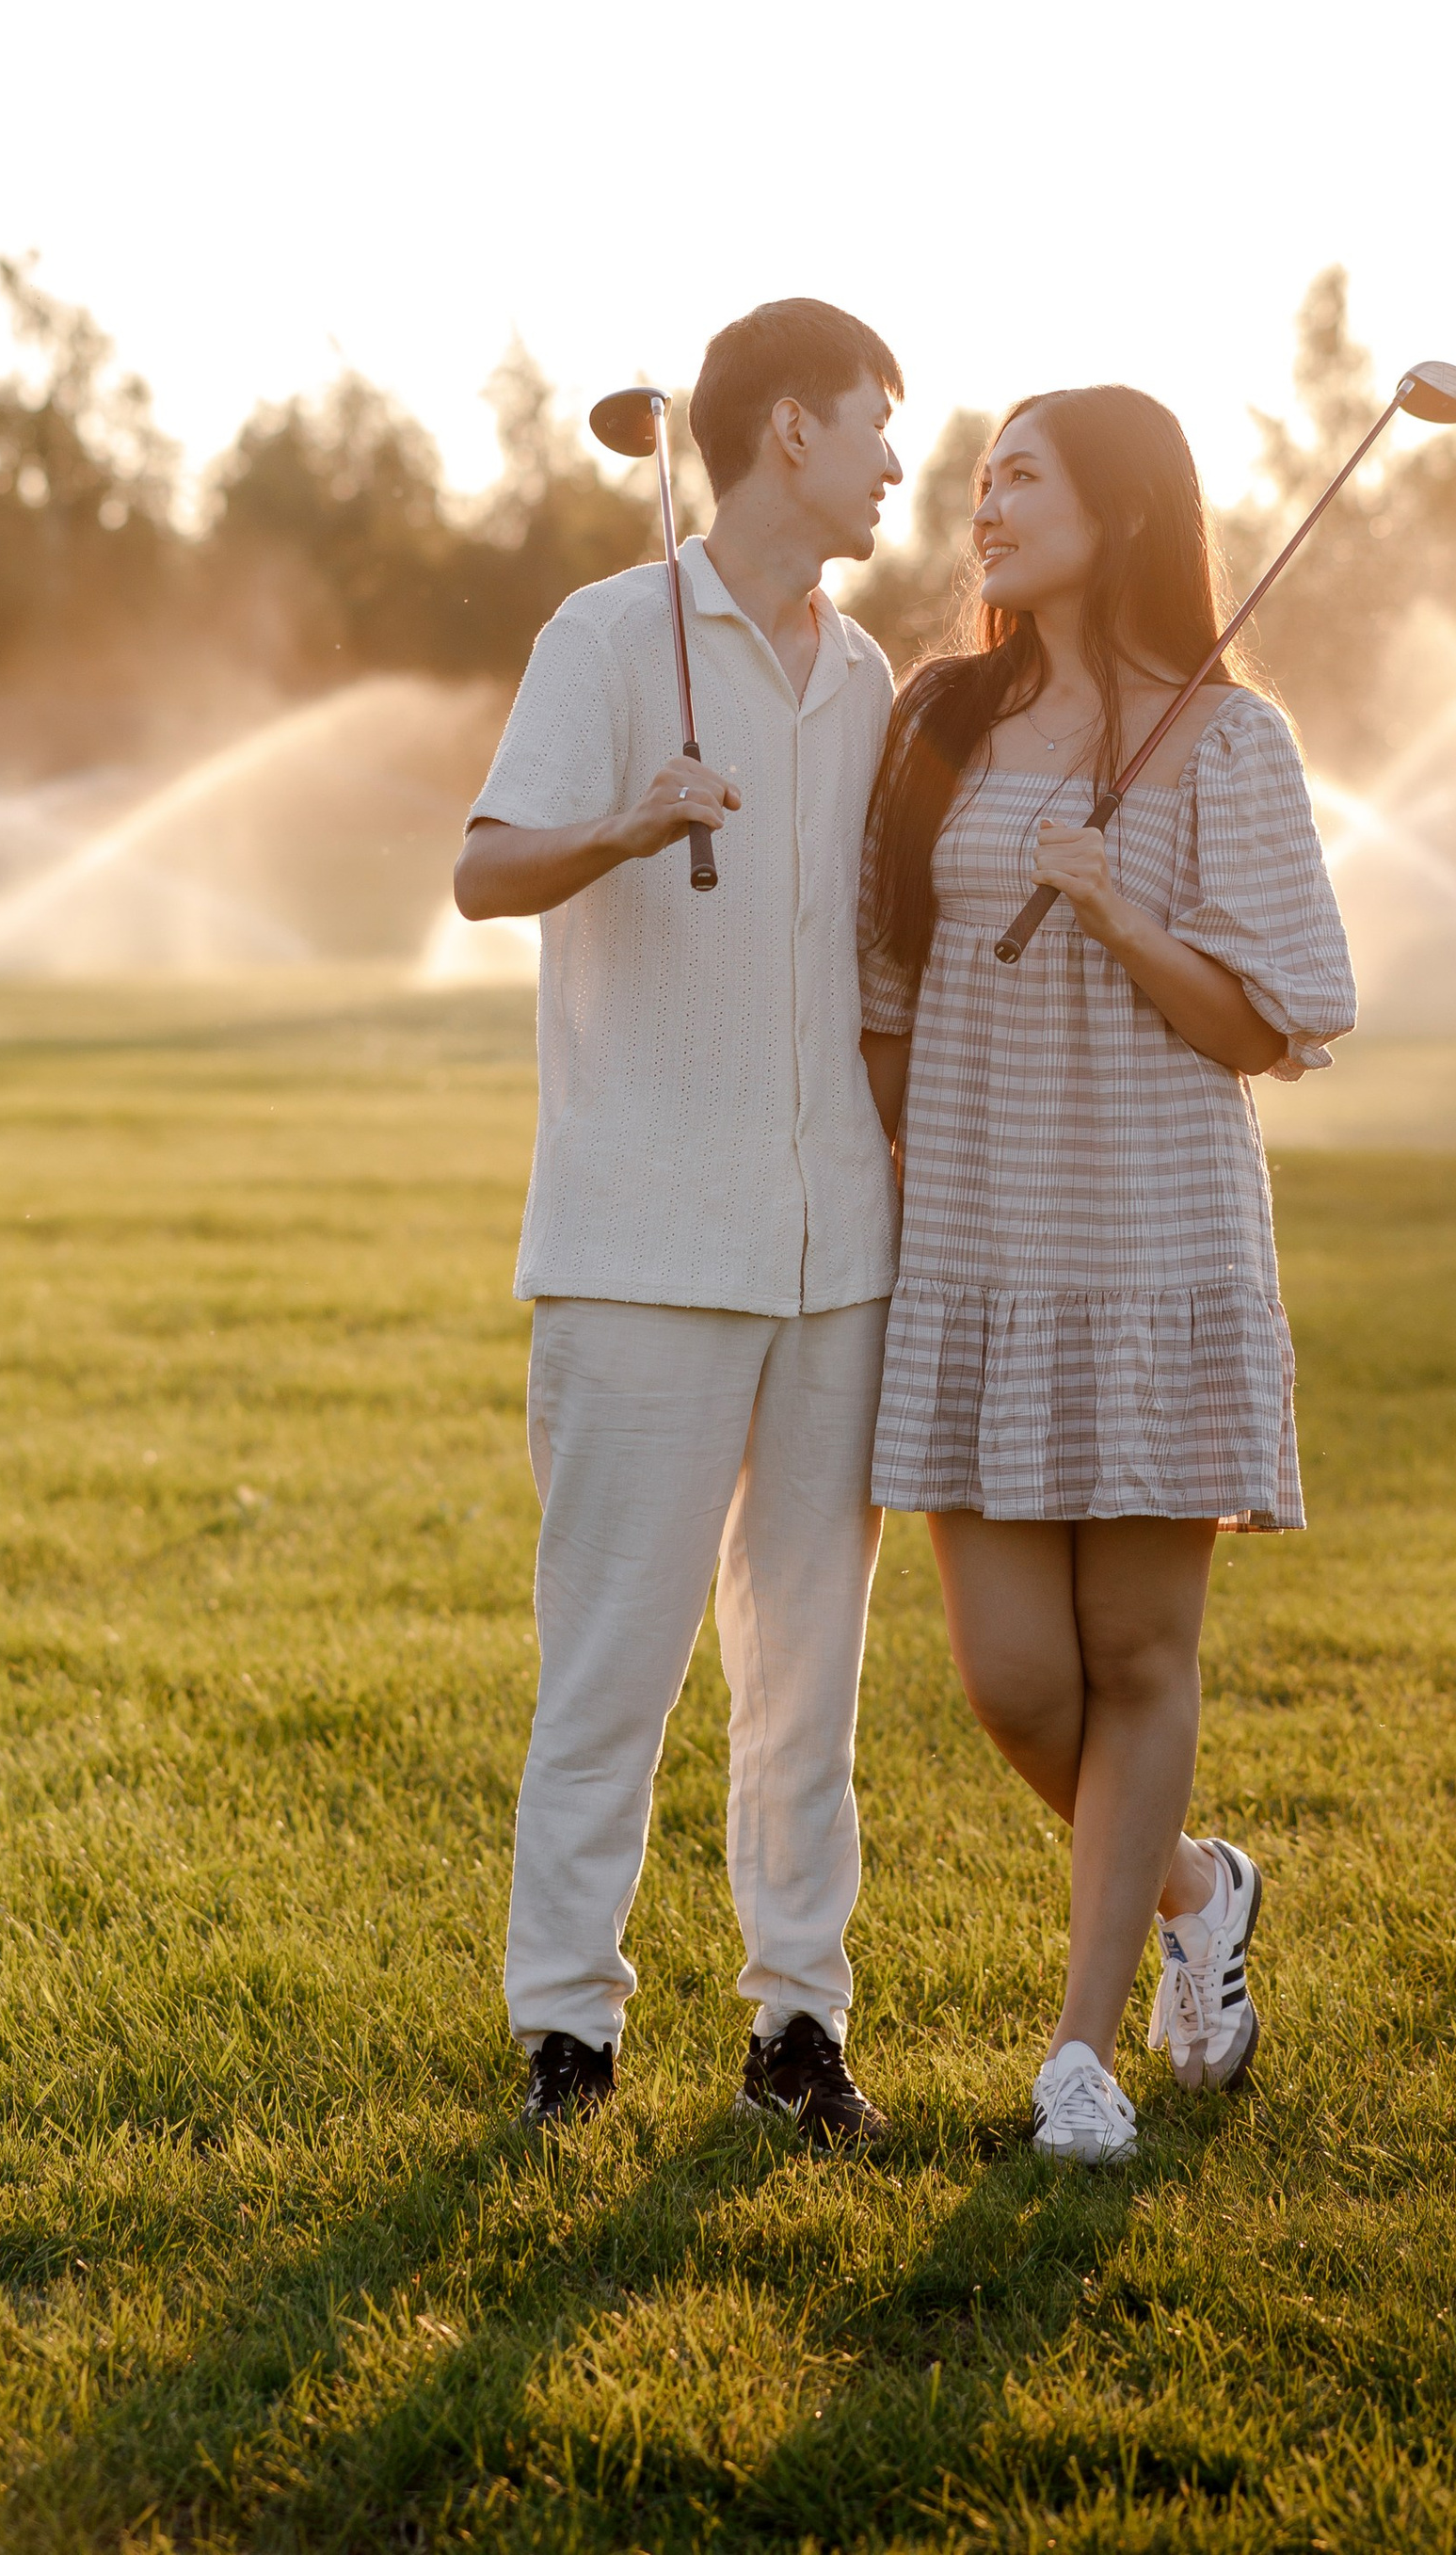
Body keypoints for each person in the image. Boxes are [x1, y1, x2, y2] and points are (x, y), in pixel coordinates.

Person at [857, 385, 1354, 2164]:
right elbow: (886, 1001)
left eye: (1022, 477)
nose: (983, 506)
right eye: (979, 479)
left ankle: (1081, 2059)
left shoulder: (1231, 745)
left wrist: (1127, 911)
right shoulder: (942, 721)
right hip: (982, 1244)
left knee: (1137, 1654)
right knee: (1013, 1679)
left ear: (1125, 509)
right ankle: (1198, 1883)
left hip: (1156, 1238)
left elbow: (1273, 1024)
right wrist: (915, 1178)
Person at [454, 297, 905, 2141]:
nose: (897, 458)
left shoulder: (868, 677)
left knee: (808, 1684)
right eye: (879, 421)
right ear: (786, 428)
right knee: (614, 1665)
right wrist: (630, 826)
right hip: (639, 1247)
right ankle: (566, 2031)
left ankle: (798, 2029)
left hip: (835, 1258)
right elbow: (484, 872)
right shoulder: (603, 634)